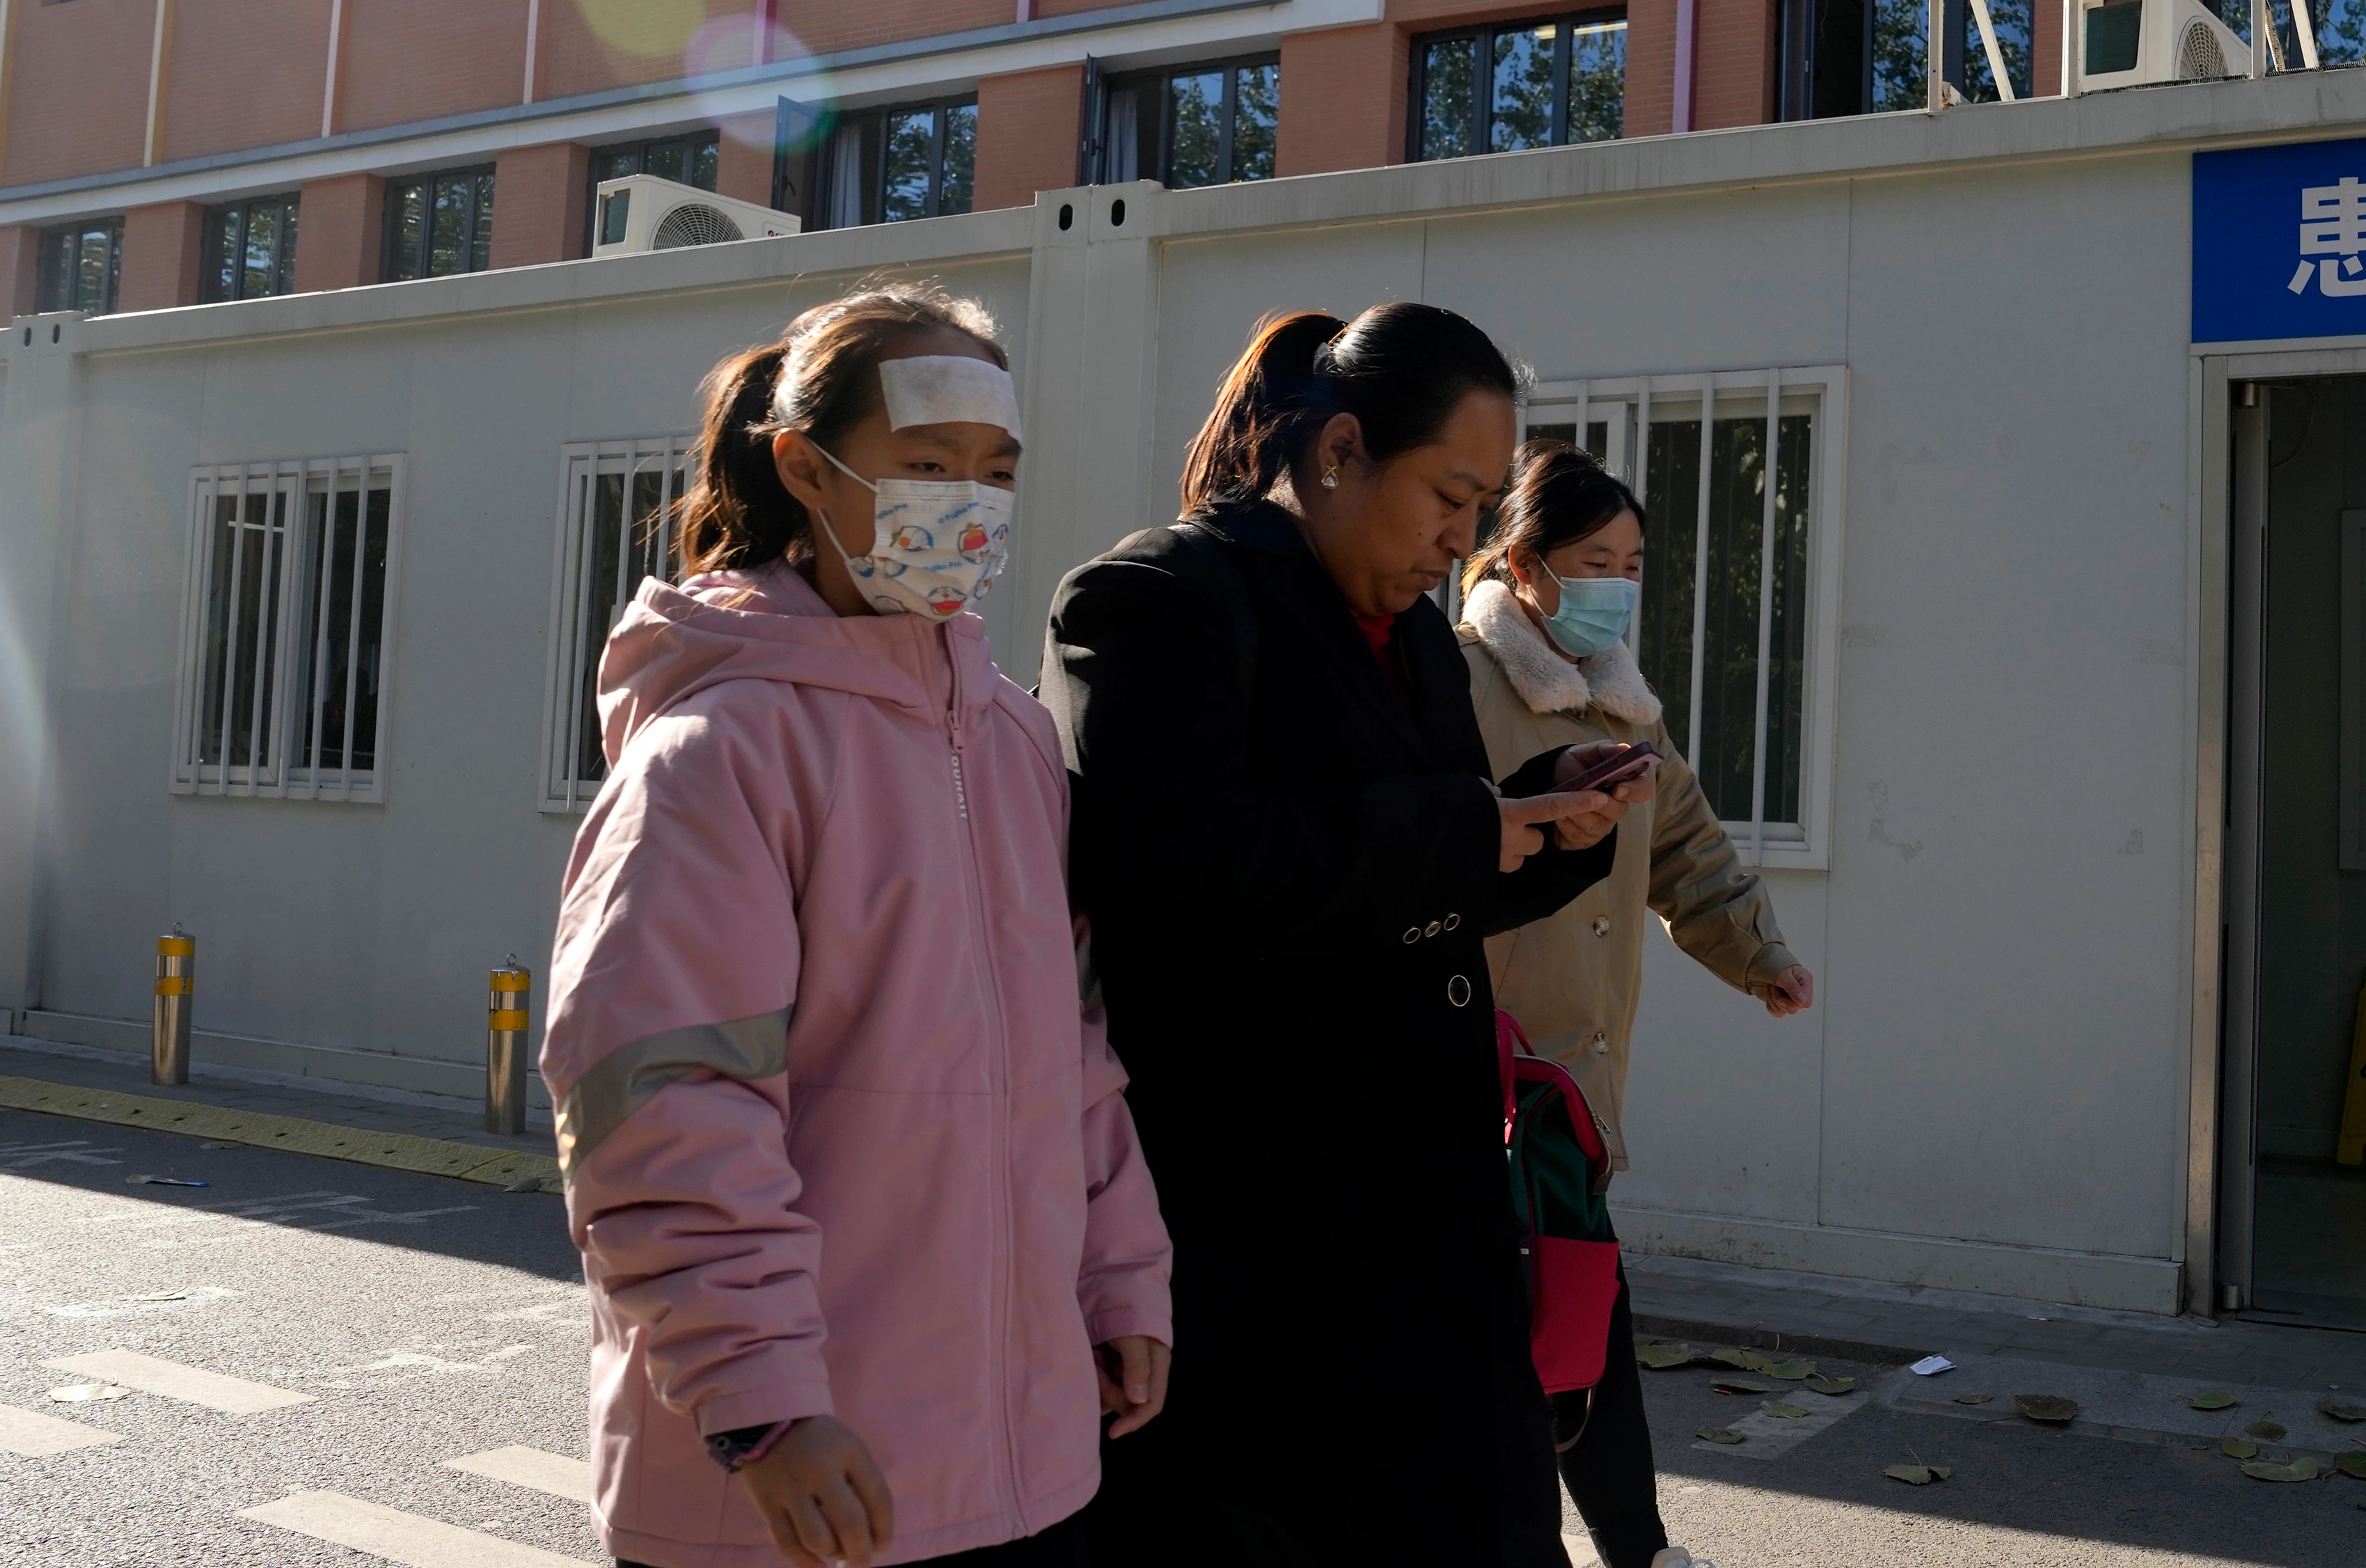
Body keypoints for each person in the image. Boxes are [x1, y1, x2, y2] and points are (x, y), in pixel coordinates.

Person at [544, 287, 1171, 1568]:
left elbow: (1075, 1051)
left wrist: (1116, 1276)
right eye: (928, 465)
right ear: (804, 470)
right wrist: (762, 1406)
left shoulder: (1012, 741)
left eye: (995, 471)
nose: (971, 502)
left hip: (1019, 1462)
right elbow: (664, 1102)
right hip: (795, 1481)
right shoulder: (716, 751)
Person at [1039, 305, 1655, 1566]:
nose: (1461, 538)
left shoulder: (1416, 633)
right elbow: (1182, 879)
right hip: (1253, 1262)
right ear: (1338, 455)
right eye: (1448, 493)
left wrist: (1554, 821)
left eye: (1484, 504)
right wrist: (1471, 830)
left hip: (1436, 1244)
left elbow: (1419, 889)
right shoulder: (1155, 599)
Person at [1456, 440, 1815, 1568]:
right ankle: (1618, 1546)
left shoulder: (1625, 703)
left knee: (1580, 1310)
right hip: (1491, 1072)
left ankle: (1635, 1544)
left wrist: (1759, 954)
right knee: (1543, 1328)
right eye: (1592, 559)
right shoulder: (1455, 678)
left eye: (1632, 560)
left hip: (1580, 1076)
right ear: (1524, 563)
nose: (1616, 581)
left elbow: (1690, 849)